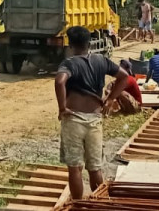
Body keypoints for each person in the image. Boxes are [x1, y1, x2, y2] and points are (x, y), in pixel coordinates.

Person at [55, 25, 129, 200]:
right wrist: (111, 99)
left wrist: (61, 108)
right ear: (89, 43)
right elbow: (124, 76)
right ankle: (100, 203)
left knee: (75, 168)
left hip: (73, 119)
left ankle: (78, 204)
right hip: (95, 119)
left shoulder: (69, 63)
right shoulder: (101, 61)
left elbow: (59, 82)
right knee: (95, 167)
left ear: (70, 45)